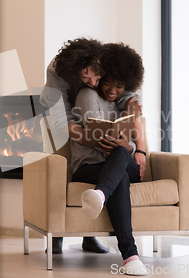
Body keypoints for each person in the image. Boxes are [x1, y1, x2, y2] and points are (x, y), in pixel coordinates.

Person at [39, 38, 141, 254]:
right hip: (74, 126)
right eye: (85, 77)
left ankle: (97, 206)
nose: (93, 81)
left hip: (115, 153)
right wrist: (91, 139)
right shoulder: (59, 74)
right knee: (112, 170)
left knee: (118, 157)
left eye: (97, 74)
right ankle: (129, 255)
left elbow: (127, 95)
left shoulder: (107, 61)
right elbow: (61, 120)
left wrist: (135, 147)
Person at [70, 42, 148, 275]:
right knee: (121, 177)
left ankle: (101, 193)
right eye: (107, 83)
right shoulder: (87, 95)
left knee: (122, 155)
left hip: (120, 162)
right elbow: (95, 133)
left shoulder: (127, 103)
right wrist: (119, 146)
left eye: (120, 86)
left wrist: (129, 146)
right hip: (89, 165)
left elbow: (131, 142)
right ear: (101, 76)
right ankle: (131, 256)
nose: (113, 90)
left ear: (127, 85)